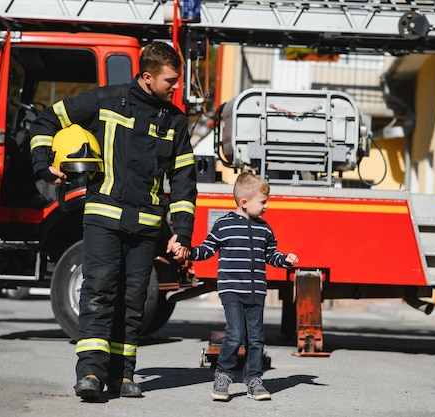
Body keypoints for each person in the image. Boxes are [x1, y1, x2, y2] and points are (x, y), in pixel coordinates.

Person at [29, 41, 196, 400]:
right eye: (170, 80)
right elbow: (49, 118)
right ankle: (90, 371)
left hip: (146, 225)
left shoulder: (176, 121)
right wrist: (43, 164)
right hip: (103, 218)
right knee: (98, 291)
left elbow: (184, 180)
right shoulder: (107, 99)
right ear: (147, 76)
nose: (176, 87)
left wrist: (181, 232)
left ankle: (122, 374)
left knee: (134, 300)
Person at [171, 172, 299, 401]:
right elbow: (206, 249)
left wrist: (285, 260)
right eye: (263, 201)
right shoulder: (224, 225)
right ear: (244, 202)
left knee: (257, 339)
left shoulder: (265, 229)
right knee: (235, 334)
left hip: (256, 291)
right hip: (232, 291)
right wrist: (188, 252)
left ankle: (253, 380)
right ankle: (223, 376)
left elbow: (271, 256)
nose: (267, 206)